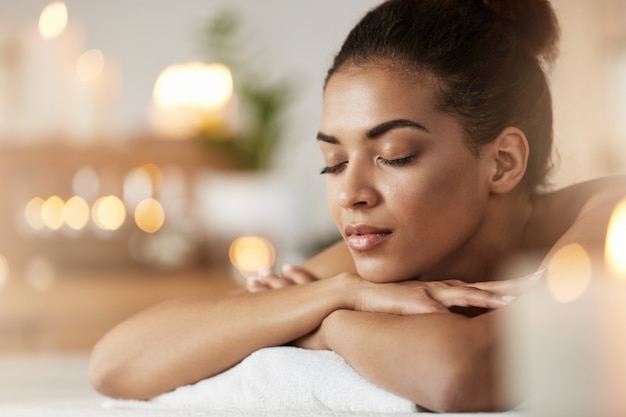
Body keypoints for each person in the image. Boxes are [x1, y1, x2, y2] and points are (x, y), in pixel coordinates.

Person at [89, 0, 626, 412]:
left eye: (395, 155)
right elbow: (117, 362)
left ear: (504, 162)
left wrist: (321, 322)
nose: (351, 193)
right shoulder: (381, 253)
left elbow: (462, 374)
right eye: (333, 162)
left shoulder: (608, 221)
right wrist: (339, 292)